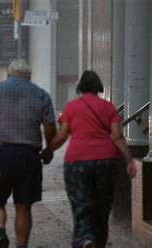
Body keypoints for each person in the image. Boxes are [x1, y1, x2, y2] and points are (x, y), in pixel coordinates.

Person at [41, 70, 137, 248]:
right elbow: (117, 137)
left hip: (77, 161)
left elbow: (62, 136)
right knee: (103, 206)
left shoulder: (71, 107)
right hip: (106, 160)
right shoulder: (109, 107)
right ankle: (98, 242)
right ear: (98, 87)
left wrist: (48, 150)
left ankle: (85, 238)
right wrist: (129, 160)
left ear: (80, 87)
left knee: (81, 202)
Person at [0, 59, 57, 248]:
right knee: (23, 205)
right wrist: (49, 150)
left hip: (0, 153)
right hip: (29, 155)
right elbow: (50, 127)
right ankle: (22, 245)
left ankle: (0, 231)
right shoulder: (41, 95)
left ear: (8, 74)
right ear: (29, 76)